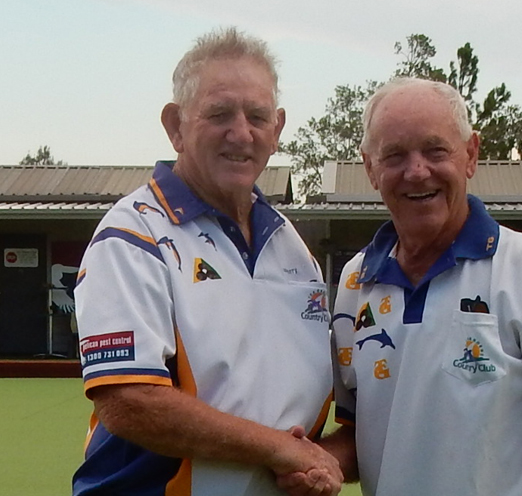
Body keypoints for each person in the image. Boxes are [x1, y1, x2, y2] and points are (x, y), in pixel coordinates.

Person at [318, 77, 522, 495]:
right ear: (370, 168)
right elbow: (363, 435)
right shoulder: (356, 281)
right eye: (394, 155)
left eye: (434, 150)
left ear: (471, 154)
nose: (416, 171)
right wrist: (301, 459)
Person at [72, 28, 341, 496]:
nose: (241, 132)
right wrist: (280, 450)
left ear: (276, 129)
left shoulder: (291, 247)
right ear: (176, 125)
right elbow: (129, 401)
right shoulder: (132, 236)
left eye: (257, 116)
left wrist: (312, 463)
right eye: (219, 114)